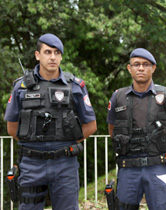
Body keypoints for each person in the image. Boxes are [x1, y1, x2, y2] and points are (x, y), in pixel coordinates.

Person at [4, 33, 97, 210]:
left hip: (65, 164)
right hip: (31, 164)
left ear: (61, 56)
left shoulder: (75, 86)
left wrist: (62, 143)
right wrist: (36, 143)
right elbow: (12, 128)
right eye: (47, 52)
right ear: (37, 55)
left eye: (56, 52)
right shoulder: (21, 87)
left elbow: (91, 126)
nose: (52, 57)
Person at [107, 48, 166, 210]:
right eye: (136, 64)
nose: (141, 68)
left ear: (153, 68)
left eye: (146, 64)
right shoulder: (118, 97)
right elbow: (113, 130)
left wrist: (161, 145)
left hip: (157, 167)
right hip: (128, 168)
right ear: (129, 68)